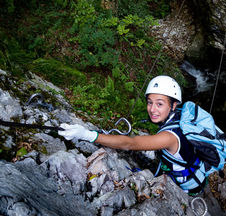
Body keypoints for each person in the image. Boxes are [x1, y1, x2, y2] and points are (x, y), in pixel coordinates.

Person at [59, 75, 207, 195]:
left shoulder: (170, 137)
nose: (152, 110)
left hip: (187, 187)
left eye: (159, 104)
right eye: (150, 102)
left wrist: (87, 134)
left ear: (173, 105)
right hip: (189, 170)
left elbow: (131, 143)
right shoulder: (179, 117)